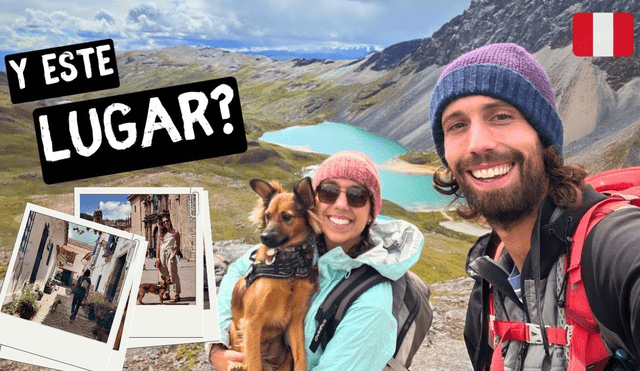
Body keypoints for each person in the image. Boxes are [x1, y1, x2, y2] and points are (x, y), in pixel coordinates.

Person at [429, 43, 640, 370]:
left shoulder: (613, 248)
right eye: (457, 125)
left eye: (500, 116)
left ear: (544, 139)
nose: (477, 143)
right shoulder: (488, 279)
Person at [208, 150, 424, 371]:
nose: (341, 204)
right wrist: (217, 346)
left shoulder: (372, 305)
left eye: (357, 196)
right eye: (329, 192)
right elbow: (237, 271)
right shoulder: (298, 245)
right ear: (314, 202)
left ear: (371, 213)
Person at [156, 216, 181, 303]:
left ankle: (177, 294)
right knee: (164, 275)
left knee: (173, 274)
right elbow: (158, 246)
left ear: (170, 221)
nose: (165, 223)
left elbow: (178, 244)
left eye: (167, 221)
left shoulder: (175, 232)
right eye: (163, 222)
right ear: (162, 224)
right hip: (162, 254)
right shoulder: (161, 233)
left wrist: (175, 252)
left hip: (171, 254)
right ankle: (167, 293)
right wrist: (157, 257)